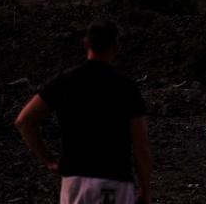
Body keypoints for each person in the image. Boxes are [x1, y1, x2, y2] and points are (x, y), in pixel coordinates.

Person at [15, 20, 151, 204]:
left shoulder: (65, 81)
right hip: (113, 180)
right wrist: (145, 189)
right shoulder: (126, 88)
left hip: (74, 181)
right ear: (117, 46)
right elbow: (140, 145)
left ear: (86, 43)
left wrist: (48, 160)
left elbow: (24, 121)